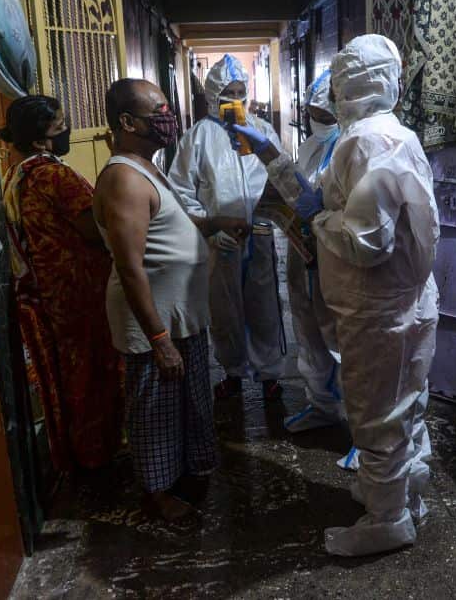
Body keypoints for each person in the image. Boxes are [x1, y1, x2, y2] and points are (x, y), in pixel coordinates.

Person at [230, 35, 440, 557]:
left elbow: (364, 240)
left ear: (348, 85)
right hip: (404, 301)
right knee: (404, 404)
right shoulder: (384, 135)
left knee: (376, 414)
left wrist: (321, 222)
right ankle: (398, 490)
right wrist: (271, 155)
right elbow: (313, 195)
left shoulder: (366, 143)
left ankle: (387, 520)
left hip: (379, 307)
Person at [94, 78, 251, 521]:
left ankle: (183, 473)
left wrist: (214, 221)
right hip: (156, 323)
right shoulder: (124, 178)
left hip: (180, 316)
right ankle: (157, 493)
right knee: (155, 411)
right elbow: (130, 266)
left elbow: (170, 228)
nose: (169, 118)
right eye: (158, 111)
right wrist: (159, 338)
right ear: (127, 122)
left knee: (185, 402)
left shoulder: (148, 166)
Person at [230, 69, 360, 470]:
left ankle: (363, 433)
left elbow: (322, 203)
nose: (315, 116)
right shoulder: (309, 146)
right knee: (308, 331)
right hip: (304, 255)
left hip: (334, 259)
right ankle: (322, 405)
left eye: (322, 109)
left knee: (345, 344)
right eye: (310, 109)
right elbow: (295, 192)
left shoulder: (352, 149)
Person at [0, 95, 122, 472]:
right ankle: (97, 455)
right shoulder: (54, 175)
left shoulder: (17, 174)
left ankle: (78, 452)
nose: (68, 130)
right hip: (79, 291)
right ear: (39, 141)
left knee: (69, 373)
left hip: (48, 291)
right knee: (92, 373)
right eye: (60, 125)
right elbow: (96, 228)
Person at [168, 54, 286, 401]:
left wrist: (273, 215)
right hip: (220, 240)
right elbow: (181, 188)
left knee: (265, 304)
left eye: (240, 91)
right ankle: (233, 371)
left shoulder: (261, 130)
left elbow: (280, 177)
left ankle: (270, 375)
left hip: (260, 234)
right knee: (224, 308)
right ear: (213, 96)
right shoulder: (198, 137)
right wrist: (210, 227)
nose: (235, 99)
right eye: (227, 93)